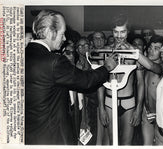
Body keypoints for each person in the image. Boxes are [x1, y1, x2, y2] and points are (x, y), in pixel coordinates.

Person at [25, 9, 117, 145]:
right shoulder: (54, 61)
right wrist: (107, 67)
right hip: (53, 137)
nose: (64, 39)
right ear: (50, 33)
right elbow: (85, 81)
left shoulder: (22, 55)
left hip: (30, 135)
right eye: (62, 34)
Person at [98, 14, 144, 145]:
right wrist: (101, 107)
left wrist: (139, 109)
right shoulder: (105, 51)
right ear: (112, 32)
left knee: (126, 144)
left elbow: (140, 83)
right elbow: (100, 81)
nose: (119, 36)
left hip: (128, 102)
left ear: (128, 31)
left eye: (122, 32)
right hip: (109, 101)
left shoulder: (135, 53)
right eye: (116, 32)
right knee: (113, 143)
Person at [136, 35, 163, 145]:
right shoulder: (144, 66)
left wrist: (134, 52)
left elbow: (152, 66)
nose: (152, 51)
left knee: (159, 144)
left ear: (162, 51)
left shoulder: (162, 66)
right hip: (147, 111)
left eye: (156, 48)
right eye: (150, 47)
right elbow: (142, 86)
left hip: (160, 114)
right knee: (146, 145)